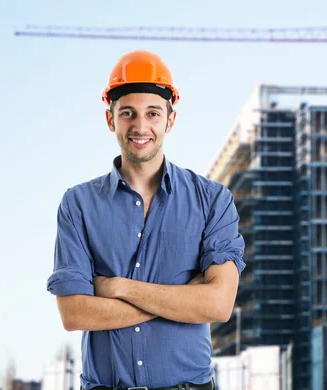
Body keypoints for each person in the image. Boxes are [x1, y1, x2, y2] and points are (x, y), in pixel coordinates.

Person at [47, 50, 246, 390]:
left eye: (152, 113)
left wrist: (120, 289)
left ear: (170, 119)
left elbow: (218, 303)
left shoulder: (212, 200)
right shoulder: (78, 204)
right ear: (111, 120)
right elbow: (75, 313)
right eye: (128, 114)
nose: (140, 127)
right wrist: (184, 300)